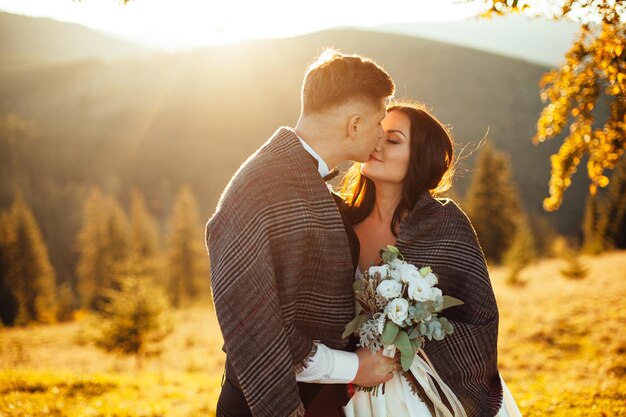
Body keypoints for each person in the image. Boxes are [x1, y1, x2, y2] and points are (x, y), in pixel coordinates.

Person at [206, 49, 398, 417]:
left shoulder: (305, 179)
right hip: (262, 402)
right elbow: (256, 325)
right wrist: (355, 367)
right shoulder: (260, 188)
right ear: (354, 124)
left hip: (321, 399)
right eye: (378, 123)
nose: (380, 135)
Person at [338, 102, 523, 417]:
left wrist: (415, 332)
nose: (376, 144)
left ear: (419, 158)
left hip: (429, 389)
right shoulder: (339, 222)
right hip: (354, 386)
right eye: (376, 134)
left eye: (393, 140)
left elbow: (480, 317)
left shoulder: (445, 224)